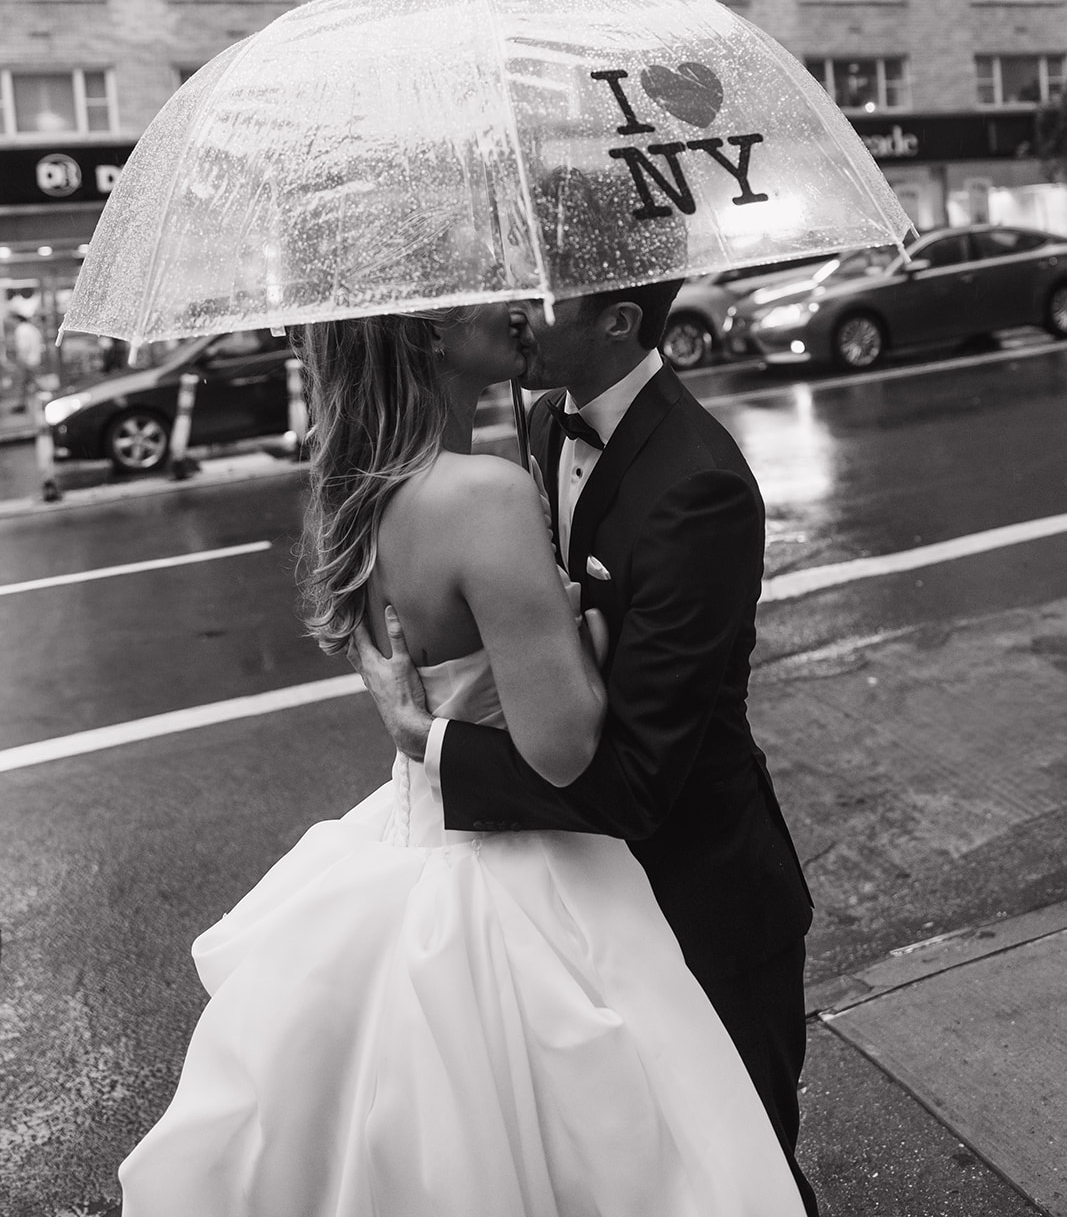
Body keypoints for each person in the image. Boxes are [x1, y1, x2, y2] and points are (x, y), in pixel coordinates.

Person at [118, 302, 806, 1217]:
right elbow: (562, 747)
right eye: (482, 288)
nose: (514, 298)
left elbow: (424, 656)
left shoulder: (356, 484)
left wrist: (428, 721)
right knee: (656, 1151)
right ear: (431, 332)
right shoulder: (485, 493)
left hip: (415, 847)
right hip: (521, 878)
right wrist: (575, 628)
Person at [352, 188, 819, 1216]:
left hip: (697, 891)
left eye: (544, 291)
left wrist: (422, 739)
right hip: (574, 892)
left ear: (616, 321)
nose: (518, 304)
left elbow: (642, 773)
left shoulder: (696, 484)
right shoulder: (528, 428)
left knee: (743, 1166)